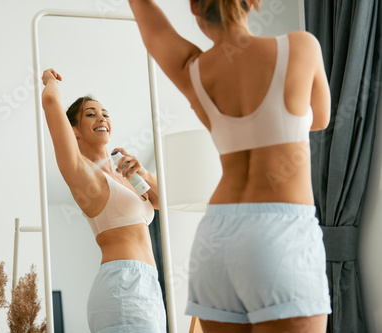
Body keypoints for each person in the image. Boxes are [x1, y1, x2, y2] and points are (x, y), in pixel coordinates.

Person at [127, 0, 331, 332]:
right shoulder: (301, 47)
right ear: (254, 2)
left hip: (216, 237)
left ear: (194, 7)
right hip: (279, 232)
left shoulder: (193, 70)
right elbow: (320, 118)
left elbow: (153, 27)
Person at [41, 68, 166, 333]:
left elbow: (162, 201)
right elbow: (51, 102)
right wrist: (49, 80)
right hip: (123, 285)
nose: (102, 118)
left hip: (150, 286)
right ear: (74, 130)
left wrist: (143, 172)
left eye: (105, 114)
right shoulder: (83, 173)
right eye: (90, 114)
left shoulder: (125, 176)